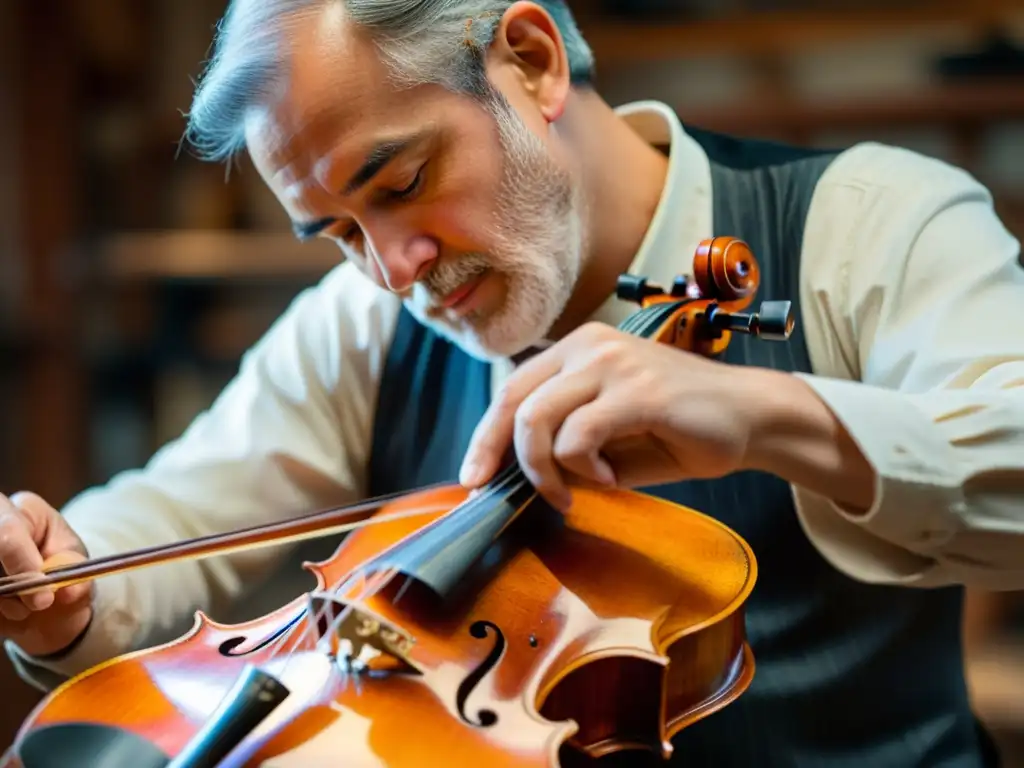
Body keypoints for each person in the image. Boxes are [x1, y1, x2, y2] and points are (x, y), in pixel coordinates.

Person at [1, 0, 1023, 764]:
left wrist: (770, 413)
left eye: (400, 184)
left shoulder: (869, 221)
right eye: (341, 234)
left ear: (528, 62)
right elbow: (176, 513)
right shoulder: (363, 325)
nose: (391, 266)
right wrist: (70, 579)